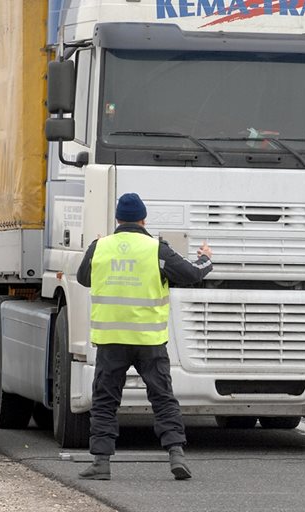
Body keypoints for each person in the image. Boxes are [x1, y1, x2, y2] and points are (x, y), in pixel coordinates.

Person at [76, 193, 213, 480]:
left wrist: (96, 248)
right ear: (143, 219)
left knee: (105, 399)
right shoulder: (156, 249)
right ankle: (176, 453)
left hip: (111, 340)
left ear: (117, 219)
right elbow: (191, 274)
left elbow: (83, 278)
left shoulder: (100, 247)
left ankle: (101, 462)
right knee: (162, 397)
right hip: (149, 342)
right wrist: (205, 259)